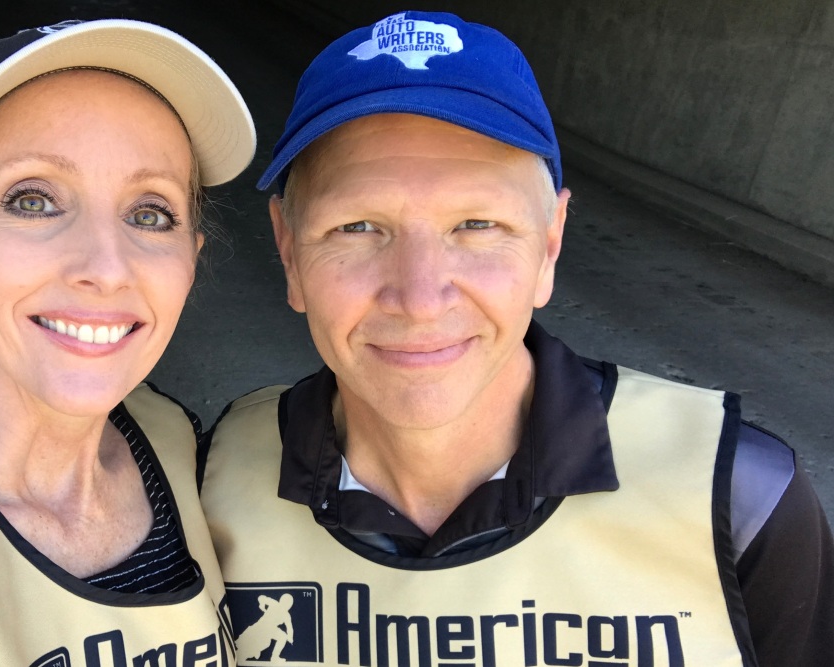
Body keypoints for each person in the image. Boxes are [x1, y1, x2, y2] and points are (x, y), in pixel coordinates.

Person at [198, 11, 833, 666]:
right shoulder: (208, 486)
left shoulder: (738, 500)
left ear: (550, 243)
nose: (419, 298)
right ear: (288, 251)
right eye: (357, 226)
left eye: (477, 223)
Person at [0, 18, 254, 667]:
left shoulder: (169, 436)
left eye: (150, 213)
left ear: (191, 259)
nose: (106, 265)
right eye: (34, 200)